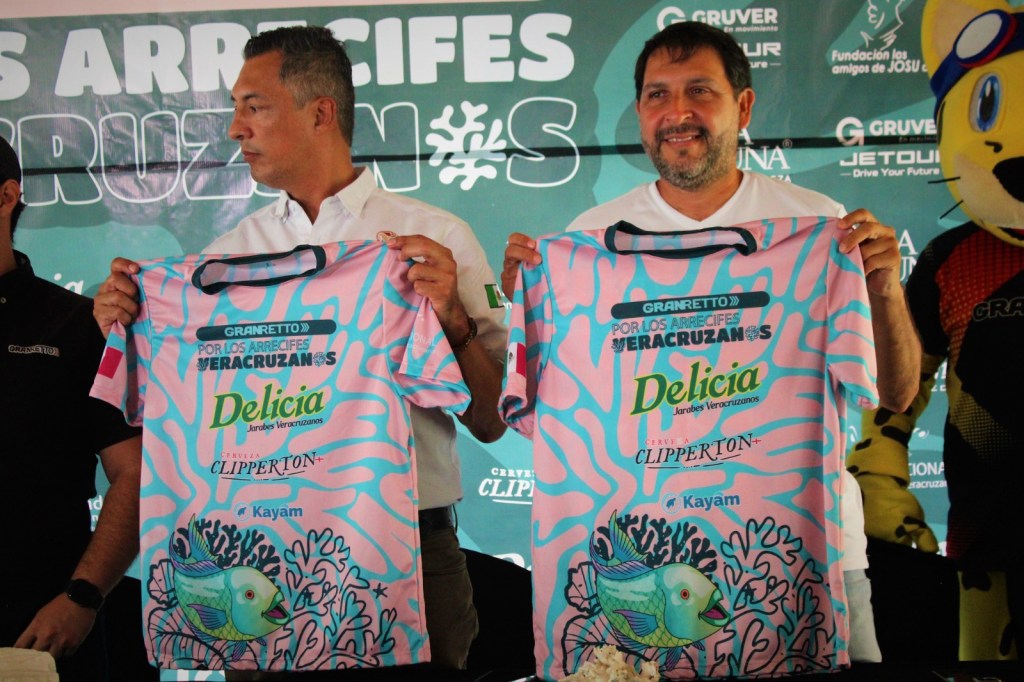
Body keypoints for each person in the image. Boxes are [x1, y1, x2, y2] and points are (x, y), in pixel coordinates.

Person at [501, 21, 921, 663]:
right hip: (651, 587)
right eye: (658, 95)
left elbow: (896, 393)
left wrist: (884, 289)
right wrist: (533, 299)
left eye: (700, 90)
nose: (678, 113)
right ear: (640, 112)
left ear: (743, 106)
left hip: (816, 561)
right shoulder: (587, 241)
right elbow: (543, 409)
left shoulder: (818, 227)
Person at [92, 26, 507, 671]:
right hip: (259, 564)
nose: (235, 128)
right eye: (236, 108)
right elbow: (175, 415)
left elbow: (491, 419)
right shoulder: (220, 263)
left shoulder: (433, 239)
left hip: (411, 552)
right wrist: (127, 328)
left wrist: (453, 318)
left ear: (321, 113)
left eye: (253, 106)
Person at [0, 136, 142, 681]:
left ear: (6, 196)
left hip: (42, 628)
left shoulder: (79, 325)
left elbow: (134, 472)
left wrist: (83, 596)